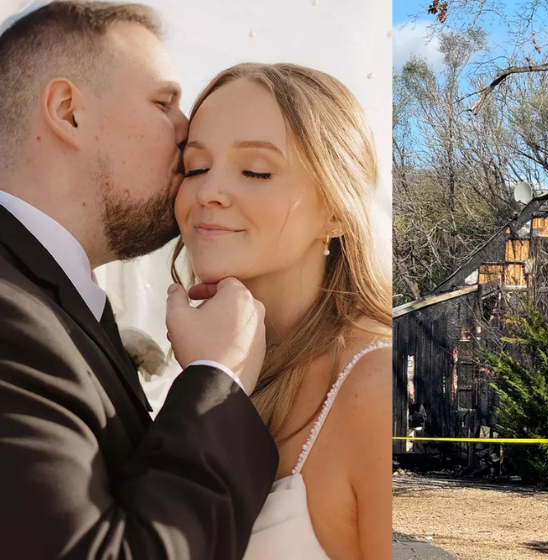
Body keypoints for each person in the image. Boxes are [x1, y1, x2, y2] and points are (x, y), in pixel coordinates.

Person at [0, 2, 278, 558]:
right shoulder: (10, 314)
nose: (186, 130)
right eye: (163, 103)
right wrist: (216, 377)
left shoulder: (50, 301)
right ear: (67, 111)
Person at [173, 63, 392, 559]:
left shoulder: (372, 386)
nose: (208, 192)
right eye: (195, 167)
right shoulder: (208, 365)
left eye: (255, 171)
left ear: (337, 211)